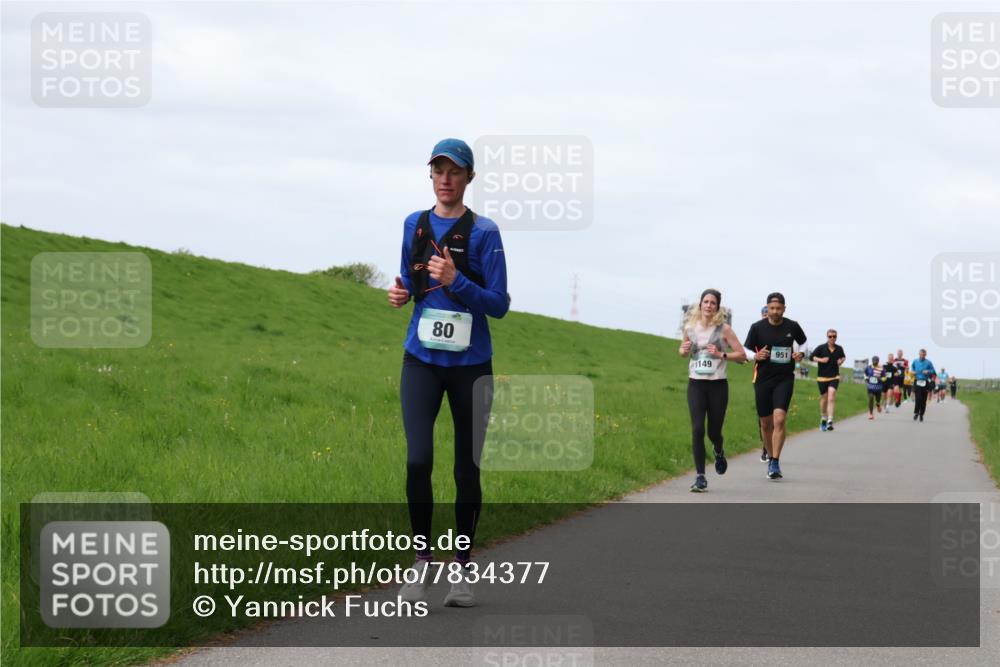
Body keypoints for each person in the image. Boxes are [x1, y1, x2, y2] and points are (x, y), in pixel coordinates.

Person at [388, 138, 510, 607]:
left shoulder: (484, 233)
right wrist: (401, 295)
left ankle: (462, 568)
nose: (445, 179)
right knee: (418, 459)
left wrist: (456, 281)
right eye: (438, 170)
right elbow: (410, 279)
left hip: (471, 366)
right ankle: (422, 562)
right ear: (431, 176)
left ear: (469, 178)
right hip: (420, 359)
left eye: (454, 171)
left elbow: (498, 304)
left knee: (466, 468)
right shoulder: (413, 224)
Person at [678, 289, 747, 492]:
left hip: (718, 386)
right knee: (697, 429)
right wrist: (682, 351)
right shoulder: (690, 327)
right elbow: (685, 350)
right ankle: (700, 477)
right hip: (696, 384)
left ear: (717, 307)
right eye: (705, 302)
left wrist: (721, 354)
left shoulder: (724, 329)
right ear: (700, 305)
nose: (708, 305)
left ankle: (718, 450)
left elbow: (742, 355)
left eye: (713, 303)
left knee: (713, 432)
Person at [744, 293, 807, 480]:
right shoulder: (757, 328)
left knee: (779, 419)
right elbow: (746, 349)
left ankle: (775, 461)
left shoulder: (792, 326)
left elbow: (804, 343)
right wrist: (755, 356)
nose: (775, 312)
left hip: (784, 379)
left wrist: (800, 355)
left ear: (784, 309)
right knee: (765, 423)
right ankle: (769, 454)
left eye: (779, 308)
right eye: (772, 308)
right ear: (767, 308)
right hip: (763, 379)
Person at [810, 329, 846, 432]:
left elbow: (843, 357)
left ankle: (830, 420)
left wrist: (841, 361)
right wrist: (821, 360)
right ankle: (823, 418)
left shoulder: (839, 348)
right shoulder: (821, 348)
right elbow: (811, 357)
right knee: (824, 399)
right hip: (822, 378)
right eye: (830, 336)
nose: (832, 338)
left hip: (834, 377)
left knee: (831, 396)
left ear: (836, 337)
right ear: (827, 337)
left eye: (834, 336)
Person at [911, 349, 936, 422]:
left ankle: (921, 414)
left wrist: (928, 371)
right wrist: (913, 372)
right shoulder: (915, 361)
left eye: (923, 355)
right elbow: (912, 368)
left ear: (925, 355)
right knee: (918, 399)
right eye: (920, 354)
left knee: (923, 400)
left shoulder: (928, 362)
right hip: (917, 381)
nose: (921, 356)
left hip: (925, 382)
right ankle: (916, 413)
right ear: (919, 354)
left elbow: (933, 371)